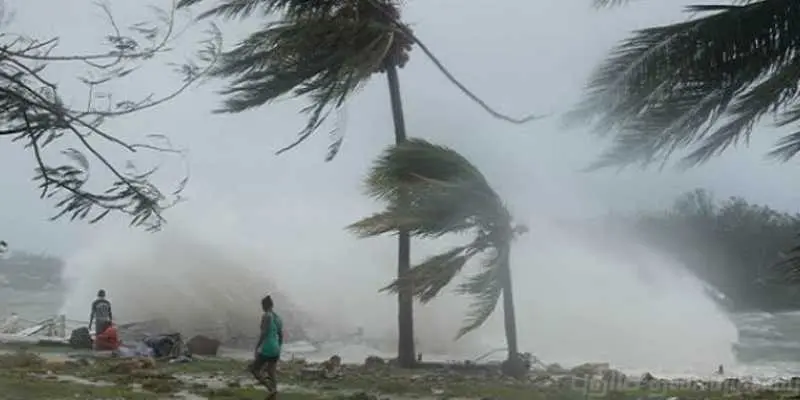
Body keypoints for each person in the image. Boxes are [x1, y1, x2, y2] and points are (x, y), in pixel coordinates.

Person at [250, 295, 283, 399]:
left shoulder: (266, 316)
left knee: (254, 369)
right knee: (271, 371)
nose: (262, 307)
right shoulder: (278, 318)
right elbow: (281, 335)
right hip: (276, 348)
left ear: (265, 305)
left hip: (267, 347)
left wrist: (257, 347)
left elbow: (263, 333)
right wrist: (279, 347)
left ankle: (270, 388)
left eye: (262, 305)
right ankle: (275, 392)